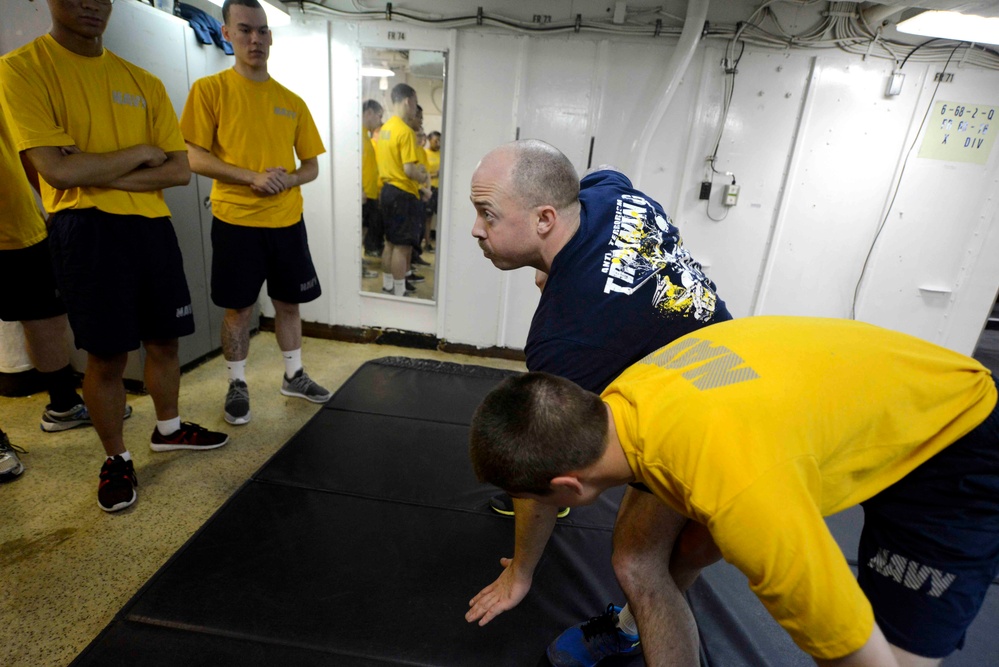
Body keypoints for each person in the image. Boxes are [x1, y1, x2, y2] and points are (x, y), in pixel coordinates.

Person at [470, 315, 999, 667]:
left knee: (894, 656)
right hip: (877, 396)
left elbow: (858, 656)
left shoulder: (743, 497)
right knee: (665, 552)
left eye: (537, 499)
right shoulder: (628, 395)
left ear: (567, 487)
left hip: (952, 441)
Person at [465, 139, 732, 666]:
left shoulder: (565, 341)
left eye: (487, 215)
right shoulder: (607, 196)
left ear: (545, 218)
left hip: (714, 427)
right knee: (678, 554)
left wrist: (521, 572)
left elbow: (539, 474)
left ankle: (634, 625)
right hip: (728, 364)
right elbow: (609, 176)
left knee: (641, 563)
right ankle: (636, 621)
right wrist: (557, 269)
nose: (477, 229)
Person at [0, 0, 229, 511]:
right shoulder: (21, 70)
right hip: (85, 230)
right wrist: (137, 153)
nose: (90, 5)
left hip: (151, 227)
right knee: (106, 356)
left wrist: (92, 167)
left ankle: (167, 429)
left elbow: (177, 170)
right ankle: (117, 459)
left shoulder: (142, 80)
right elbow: (55, 173)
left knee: (166, 340)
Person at [180, 0, 331, 426]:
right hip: (236, 221)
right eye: (245, 30)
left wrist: (288, 180)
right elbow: (193, 156)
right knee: (239, 310)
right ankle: (236, 383)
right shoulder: (210, 91)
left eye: (262, 31)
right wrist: (251, 177)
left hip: (286, 221)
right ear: (226, 34)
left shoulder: (291, 101)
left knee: (289, 304)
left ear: (270, 37)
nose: (255, 39)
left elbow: (312, 166)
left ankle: (294, 375)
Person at [375, 83, 427, 296]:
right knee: (402, 247)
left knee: (390, 243)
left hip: (386, 191)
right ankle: (399, 292)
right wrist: (422, 175)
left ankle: (388, 286)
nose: (415, 109)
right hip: (403, 193)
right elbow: (408, 170)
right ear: (408, 101)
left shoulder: (385, 128)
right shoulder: (405, 131)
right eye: (415, 103)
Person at [361, 99, 384, 261]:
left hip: (370, 194)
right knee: (359, 232)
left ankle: (359, 264)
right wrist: (360, 190)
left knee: (363, 232)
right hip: (363, 195)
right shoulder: (358, 137)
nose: (380, 120)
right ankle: (357, 266)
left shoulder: (366, 137)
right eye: (378, 115)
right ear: (369, 112)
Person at [424, 130, 441, 252]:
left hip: (441, 190)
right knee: (427, 218)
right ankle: (427, 243)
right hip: (430, 189)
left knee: (441, 217)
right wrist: (436, 174)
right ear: (429, 140)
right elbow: (424, 174)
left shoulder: (442, 154)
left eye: (440, 141)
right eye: (436, 141)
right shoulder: (425, 154)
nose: (438, 143)